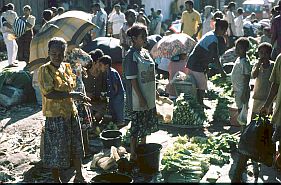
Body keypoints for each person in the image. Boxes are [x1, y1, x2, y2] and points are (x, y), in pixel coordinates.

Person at [38, 37, 90, 183]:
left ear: (64, 53)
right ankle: (57, 180)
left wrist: (80, 97)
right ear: (48, 53)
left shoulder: (66, 67)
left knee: (76, 145)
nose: (57, 57)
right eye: (54, 53)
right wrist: (71, 94)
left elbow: (72, 85)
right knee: (57, 150)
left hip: (70, 112)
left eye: (60, 54)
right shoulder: (45, 70)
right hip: (55, 116)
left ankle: (79, 175)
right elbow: (48, 93)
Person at [124, 23, 159, 161]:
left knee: (145, 126)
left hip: (148, 96)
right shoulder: (131, 56)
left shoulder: (144, 53)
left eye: (146, 36)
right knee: (136, 127)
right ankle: (133, 154)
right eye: (142, 36)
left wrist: (154, 91)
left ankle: (143, 150)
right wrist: (141, 98)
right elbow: (132, 80)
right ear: (133, 38)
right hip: (137, 98)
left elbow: (150, 74)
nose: (145, 38)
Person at [185, 18, 228, 108]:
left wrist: (206, 66)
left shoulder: (210, 35)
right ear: (220, 28)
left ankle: (197, 103)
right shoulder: (213, 38)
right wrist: (222, 72)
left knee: (195, 84)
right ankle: (200, 104)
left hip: (194, 62)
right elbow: (215, 57)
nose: (225, 32)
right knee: (202, 85)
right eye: (224, 30)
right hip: (196, 64)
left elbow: (209, 55)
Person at [65, 44, 94, 157]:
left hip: (68, 95)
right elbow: (89, 61)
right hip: (77, 93)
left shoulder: (59, 57)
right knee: (82, 125)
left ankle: (76, 153)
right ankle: (85, 150)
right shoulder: (75, 52)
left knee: (74, 125)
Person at [98, 55, 125, 127]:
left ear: (106, 65)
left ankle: (120, 123)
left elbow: (115, 87)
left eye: (101, 65)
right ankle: (115, 123)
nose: (100, 67)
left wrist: (111, 95)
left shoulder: (112, 72)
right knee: (112, 109)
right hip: (113, 95)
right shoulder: (107, 73)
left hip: (118, 95)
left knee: (118, 109)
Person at [230, 37, 251, 128]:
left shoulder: (244, 62)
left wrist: (245, 92)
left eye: (240, 48)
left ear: (246, 49)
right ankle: (242, 128)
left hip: (242, 90)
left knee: (242, 109)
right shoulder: (239, 59)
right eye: (236, 48)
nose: (237, 50)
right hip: (237, 88)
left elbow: (247, 77)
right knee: (239, 107)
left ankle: (243, 128)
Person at [83, 49, 107, 124]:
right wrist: (86, 94)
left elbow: (105, 90)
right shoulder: (84, 73)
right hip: (87, 102)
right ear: (94, 62)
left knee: (98, 116)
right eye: (99, 63)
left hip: (99, 103)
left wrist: (103, 96)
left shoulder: (103, 73)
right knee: (87, 116)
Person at [251, 43, 274, 118]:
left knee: (267, 117)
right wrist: (258, 65)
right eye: (261, 53)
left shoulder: (272, 66)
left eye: (266, 53)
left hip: (268, 97)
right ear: (258, 53)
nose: (264, 55)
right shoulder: (257, 65)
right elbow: (254, 76)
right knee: (254, 116)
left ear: (270, 54)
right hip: (258, 95)